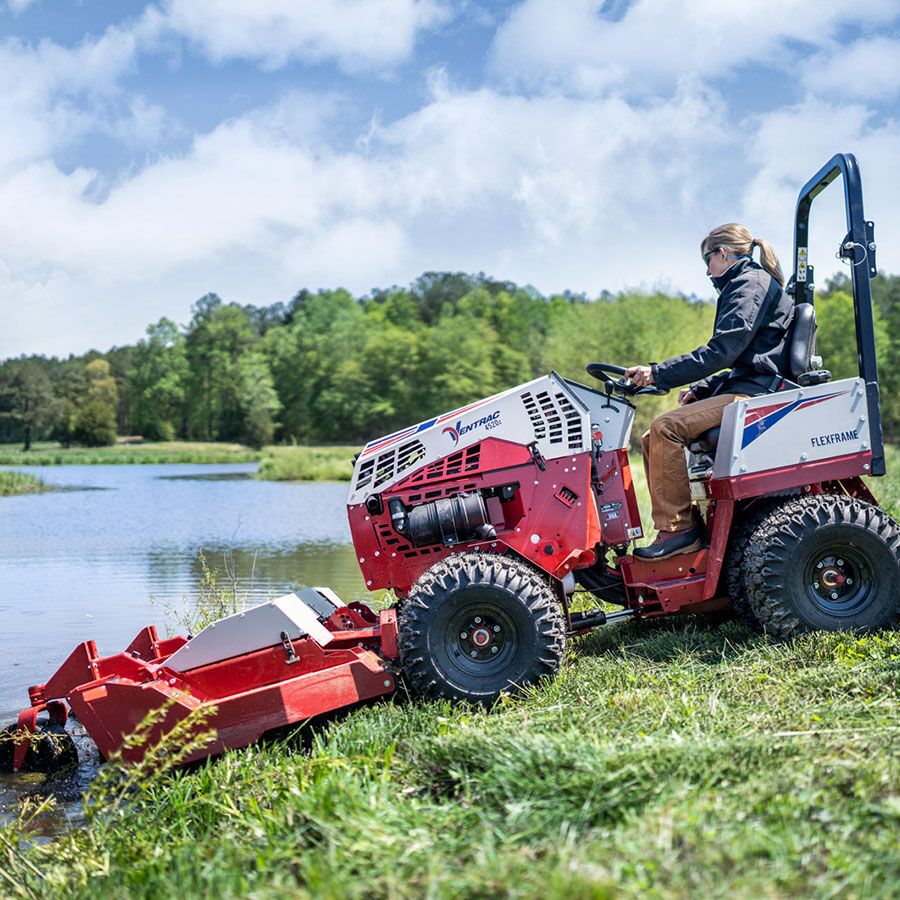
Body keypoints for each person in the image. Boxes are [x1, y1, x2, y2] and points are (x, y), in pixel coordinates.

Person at [625, 223, 795, 560]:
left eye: (709, 260)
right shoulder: (745, 283)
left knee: (665, 428)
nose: (707, 271)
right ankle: (687, 524)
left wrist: (658, 372)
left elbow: (724, 351)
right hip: (745, 386)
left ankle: (679, 532)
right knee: (650, 438)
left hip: (756, 395)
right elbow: (744, 357)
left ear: (723, 253)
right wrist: (701, 388)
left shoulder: (749, 283)